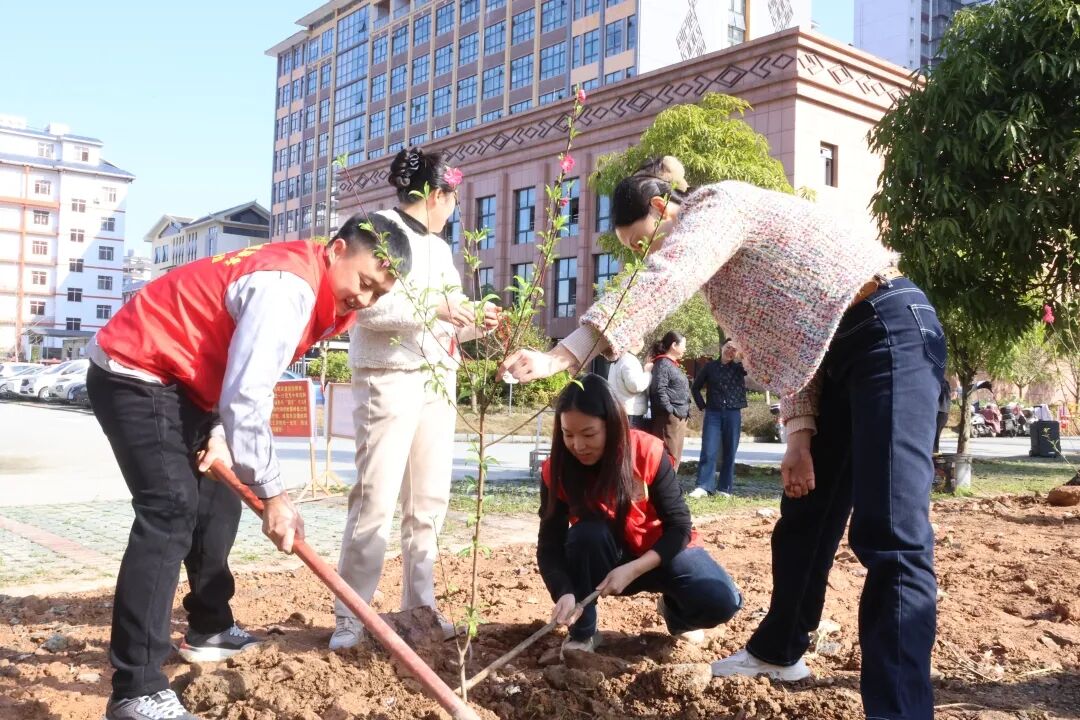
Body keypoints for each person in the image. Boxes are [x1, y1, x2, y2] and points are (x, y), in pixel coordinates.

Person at [499, 156, 945, 720]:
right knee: (803, 520)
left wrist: (567, 351)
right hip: (836, 360)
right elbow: (796, 351)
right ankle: (780, 651)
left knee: (891, 535)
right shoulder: (726, 282)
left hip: (890, 332)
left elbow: (668, 274)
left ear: (663, 210)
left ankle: (901, 711)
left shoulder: (720, 206)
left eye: (641, 244)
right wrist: (800, 435)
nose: (644, 260)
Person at [87, 219, 410, 720]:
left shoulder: (322, 293)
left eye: (379, 293)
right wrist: (276, 494)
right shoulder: (288, 288)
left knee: (217, 502)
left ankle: (209, 627)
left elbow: (235, 370)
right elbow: (248, 396)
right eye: (365, 282)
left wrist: (218, 434)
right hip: (138, 368)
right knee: (170, 511)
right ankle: (136, 687)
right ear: (337, 250)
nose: (366, 300)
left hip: (189, 383)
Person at [332, 147, 498, 650]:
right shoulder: (380, 229)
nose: (453, 209)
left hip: (435, 379)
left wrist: (474, 321)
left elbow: (441, 324)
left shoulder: (441, 249)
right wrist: (442, 307)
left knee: (428, 501)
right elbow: (368, 310)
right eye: (453, 198)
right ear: (438, 194)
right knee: (376, 498)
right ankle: (351, 615)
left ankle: (419, 608)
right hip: (389, 376)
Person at [538, 374, 742, 655]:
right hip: (605, 559)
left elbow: (679, 527)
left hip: (661, 554)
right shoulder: (556, 470)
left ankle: (676, 615)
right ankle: (583, 632)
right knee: (585, 536)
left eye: (588, 434)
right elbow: (549, 545)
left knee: (720, 601)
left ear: (611, 426)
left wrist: (634, 569)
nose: (578, 445)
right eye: (568, 434)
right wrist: (563, 591)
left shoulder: (647, 451)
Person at [689, 339, 748, 498]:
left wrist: (743, 356)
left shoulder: (738, 368)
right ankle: (703, 485)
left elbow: (751, 369)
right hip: (713, 412)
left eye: (734, 349)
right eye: (728, 347)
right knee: (709, 449)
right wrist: (703, 406)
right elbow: (695, 388)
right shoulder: (709, 367)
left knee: (730, 449)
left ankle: (724, 488)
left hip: (733, 412)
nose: (730, 351)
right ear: (722, 347)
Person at [648, 331, 691, 469]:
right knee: (668, 457)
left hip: (679, 416)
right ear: (674, 345)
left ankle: (671, 488)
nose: (685, 349)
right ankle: (664, 489)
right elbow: (658, 390)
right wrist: (670, 411)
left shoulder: (671, 364)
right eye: (683, 345)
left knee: (675, 457)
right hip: (669, 419)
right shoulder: (662, 364)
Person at [607, 336, 652, 429]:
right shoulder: (630, 360)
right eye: (640, 338)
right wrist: (648, 372)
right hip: (631, 411)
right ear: (636, 342)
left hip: (620, 409)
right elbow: (635, 385)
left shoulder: (618, 359)